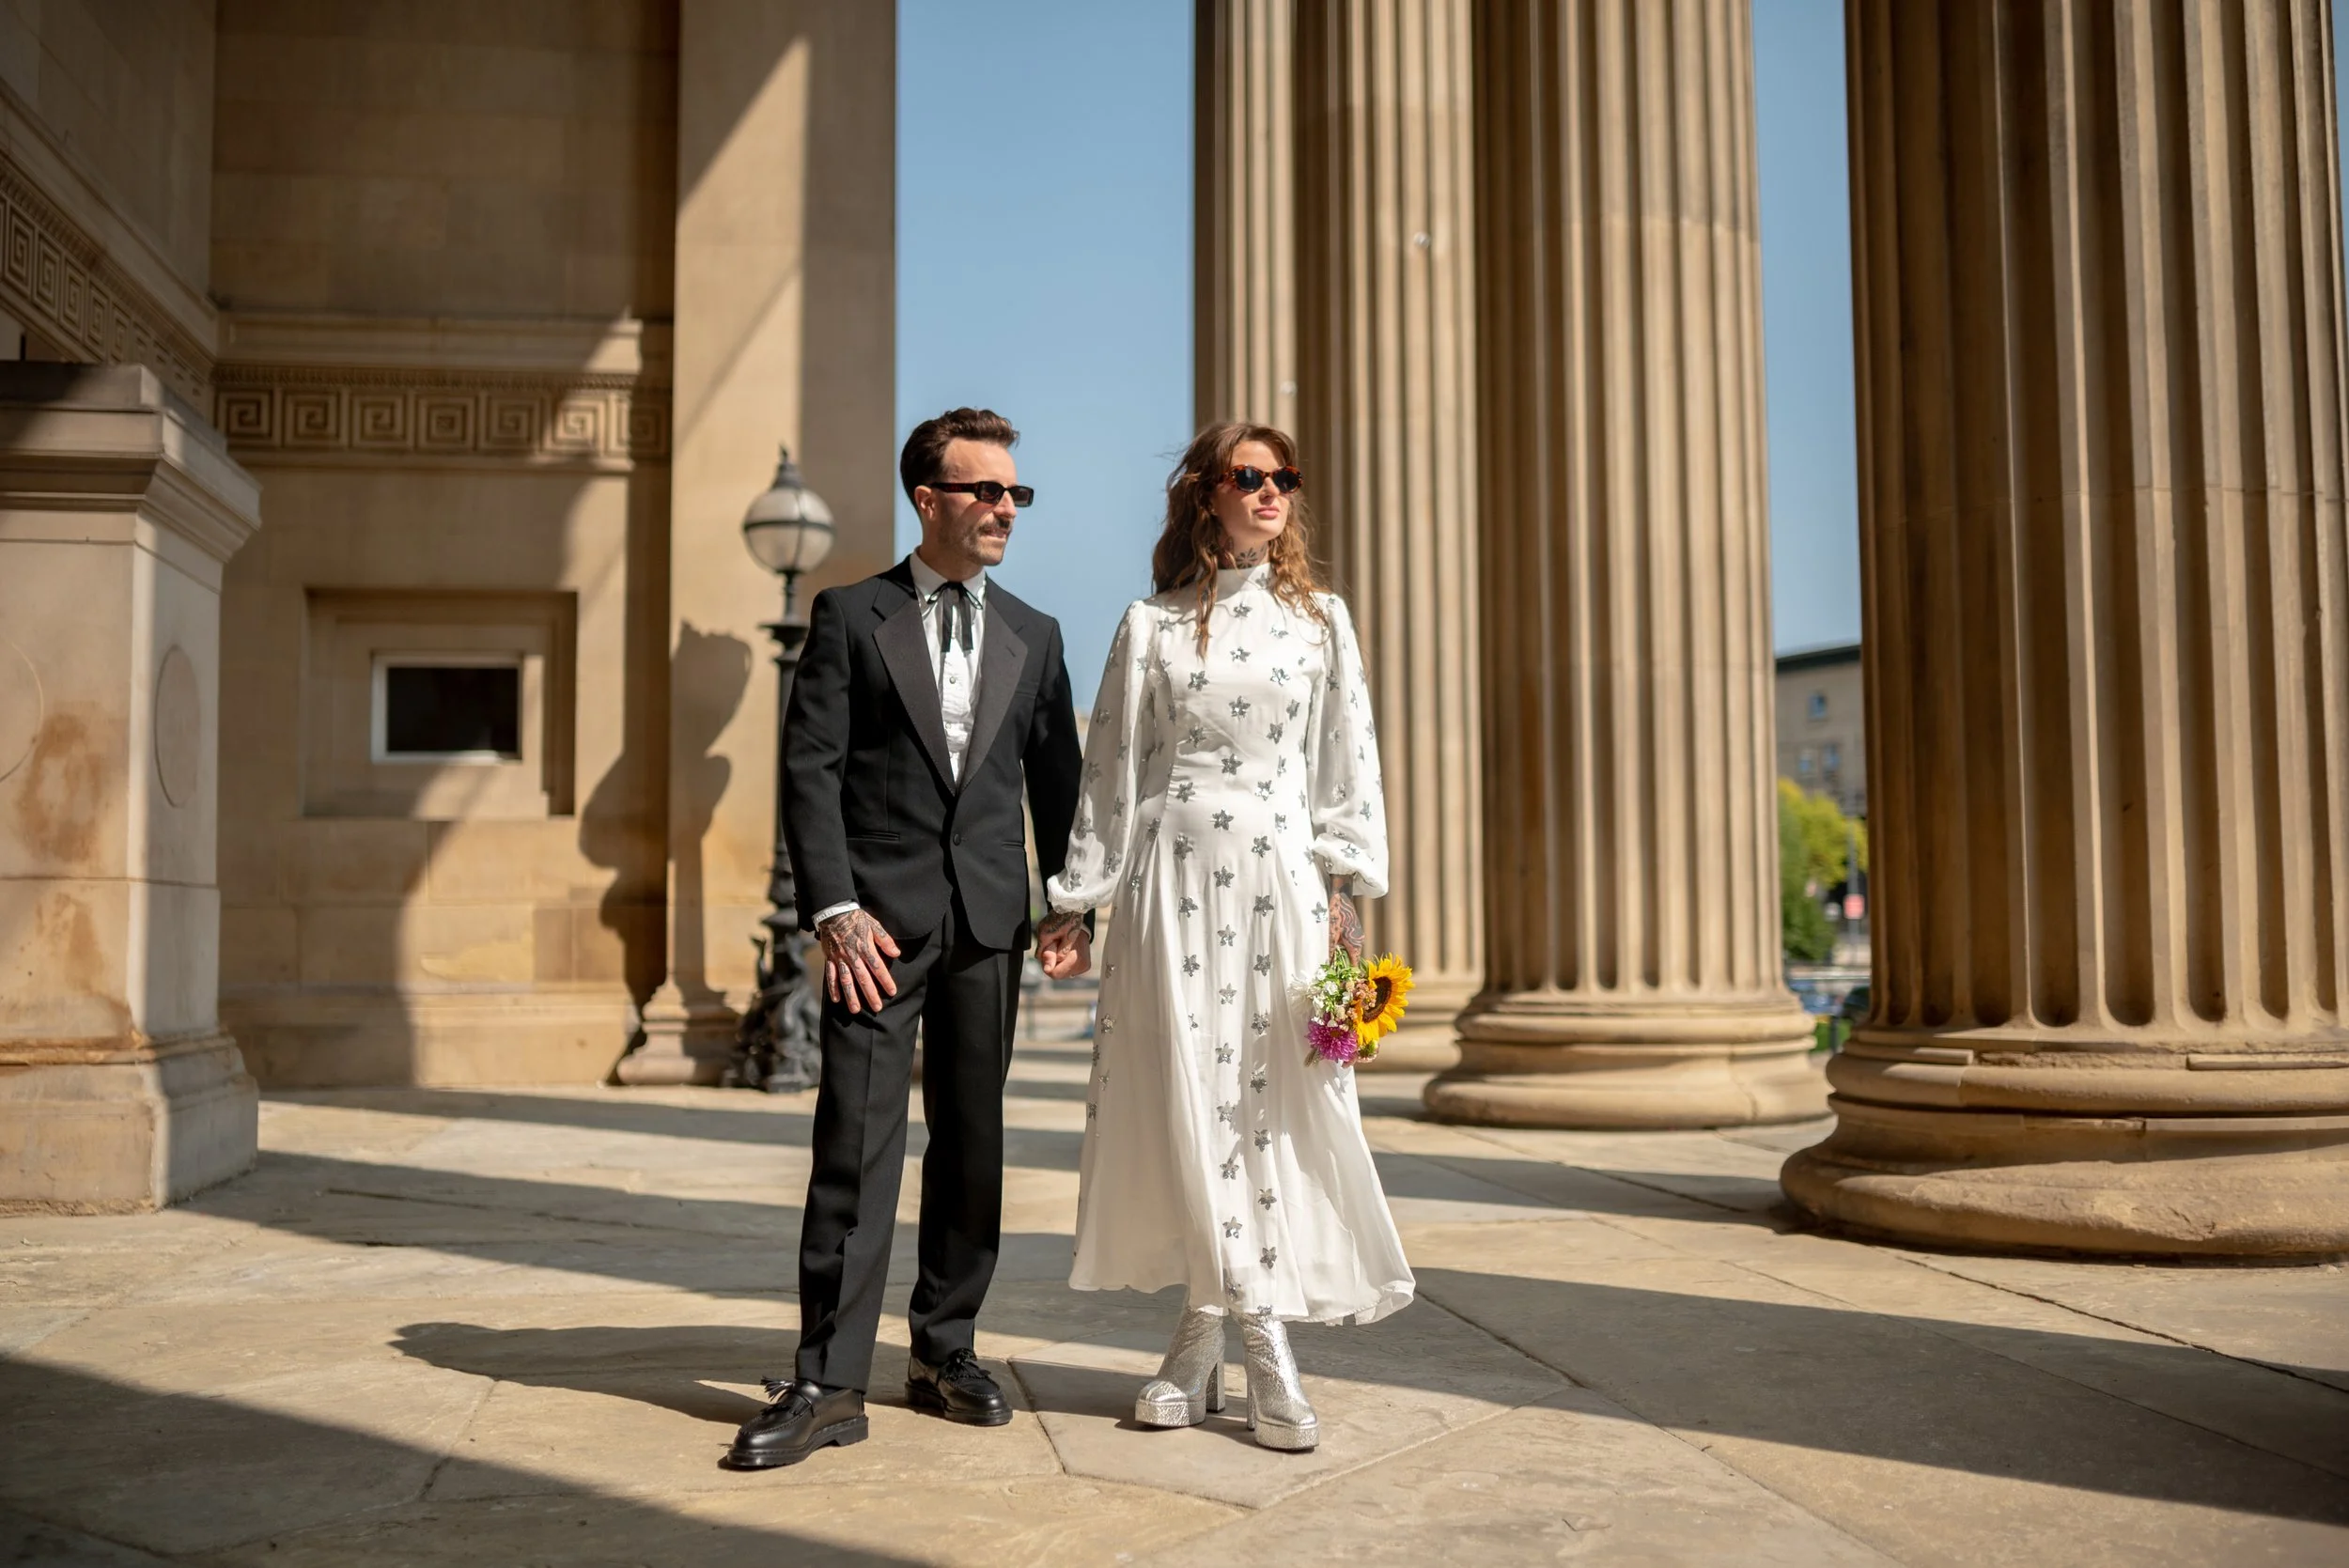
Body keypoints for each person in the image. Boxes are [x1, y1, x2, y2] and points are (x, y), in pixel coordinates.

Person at [725, 407, 1096, 1470]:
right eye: (984, 491)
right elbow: (810, 773)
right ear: (927, 497)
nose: (1004, 510)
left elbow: (1054, 786)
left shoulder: (1037, 634)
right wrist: (832, 909)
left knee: (973, 1145)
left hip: (988, 926)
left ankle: (946, 1349)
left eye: (1014, 493)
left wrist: (1070, 905)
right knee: (855, 1146)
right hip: (873, 933)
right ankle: (829, 1381)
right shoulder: (850, 615)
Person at [1043, 421, 1413, 1452]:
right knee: (1190, 1101)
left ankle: (1219, 1333)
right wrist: (1075, 900)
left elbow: (1349, 766)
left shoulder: (1319, 623)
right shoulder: (1150, 625)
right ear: (1204, 493)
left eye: (1283, 479)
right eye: (1249, 478)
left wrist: (1346, 891)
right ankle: (1242, 1333)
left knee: (1269, 1100)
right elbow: (1110, 776)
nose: (1271, 494)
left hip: (1282, 884)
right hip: (1169, 887)